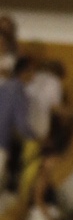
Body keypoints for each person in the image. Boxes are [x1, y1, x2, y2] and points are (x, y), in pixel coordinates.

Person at [0, 55, 32, 188]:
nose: (33, 77)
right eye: (32, 72)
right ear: (24, 72)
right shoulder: (19, 92)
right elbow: (21, 125)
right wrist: (36, 138)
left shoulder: (3, 86)